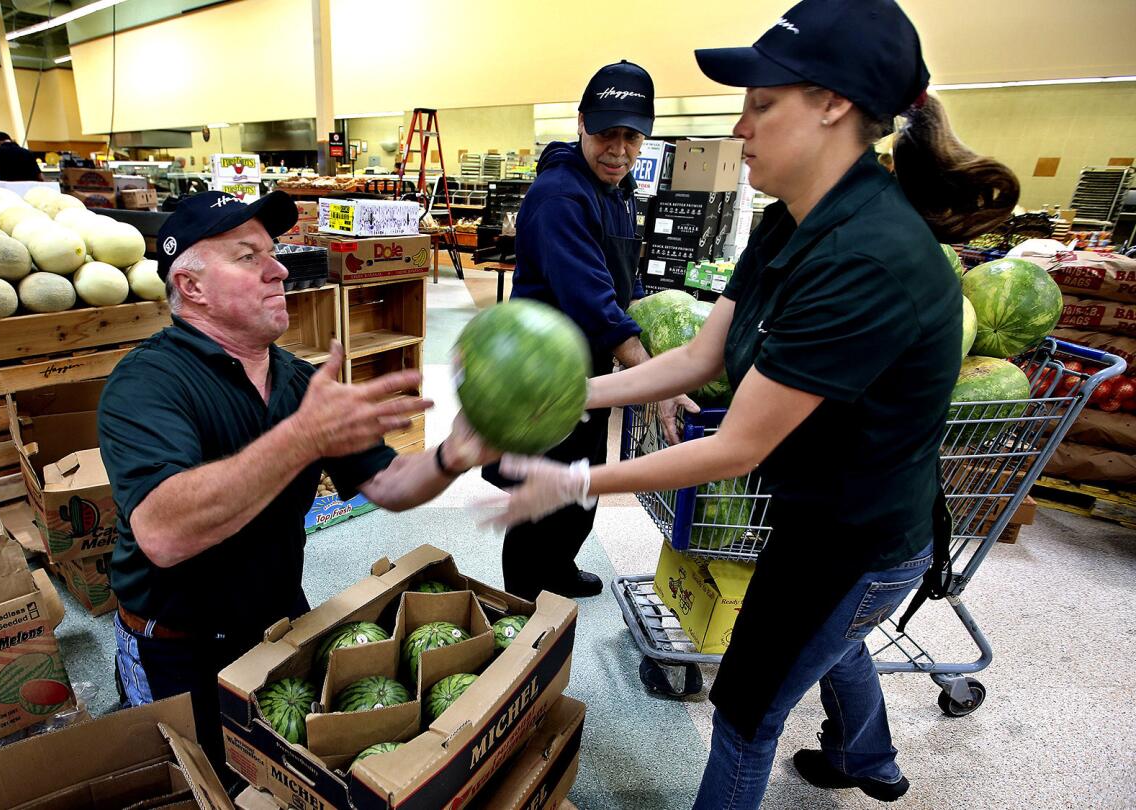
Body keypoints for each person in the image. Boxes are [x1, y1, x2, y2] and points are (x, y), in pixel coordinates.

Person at [485, 0, 1019, 806]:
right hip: (817, 510)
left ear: (834, 106)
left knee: (747, 707)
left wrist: (575, 481)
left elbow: (738, 446)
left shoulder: (867, 259)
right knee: (829, 644)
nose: (739, 127)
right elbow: (700, 357)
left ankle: (854, 757)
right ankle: (869, 758)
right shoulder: (786, 225)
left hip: (861, 537)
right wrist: (557, 395)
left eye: (762, 104)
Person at [97, 190, 494, 782]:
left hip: (281, 626)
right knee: (199, 785)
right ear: (193, 285)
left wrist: (452, 455)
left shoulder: (299, 380)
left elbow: (386, 483)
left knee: (280, 782)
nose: (279, 268)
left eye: (273, 251)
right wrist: (302, 438)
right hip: (179, 645)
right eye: (248, 256)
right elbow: (163, 531)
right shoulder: (147, 382)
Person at [487, 60, 659, 601]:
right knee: (541, 496)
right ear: (582, 122)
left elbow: (613, 283)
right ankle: (522, 604)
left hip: (585, 369)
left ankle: (558, 568)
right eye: (608, 132)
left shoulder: (616, 188)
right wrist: (657, 378)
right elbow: (595, 306)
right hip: (543, 376)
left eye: (632, 136)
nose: (619, 148)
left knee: (579, 486)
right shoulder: (561, 195)